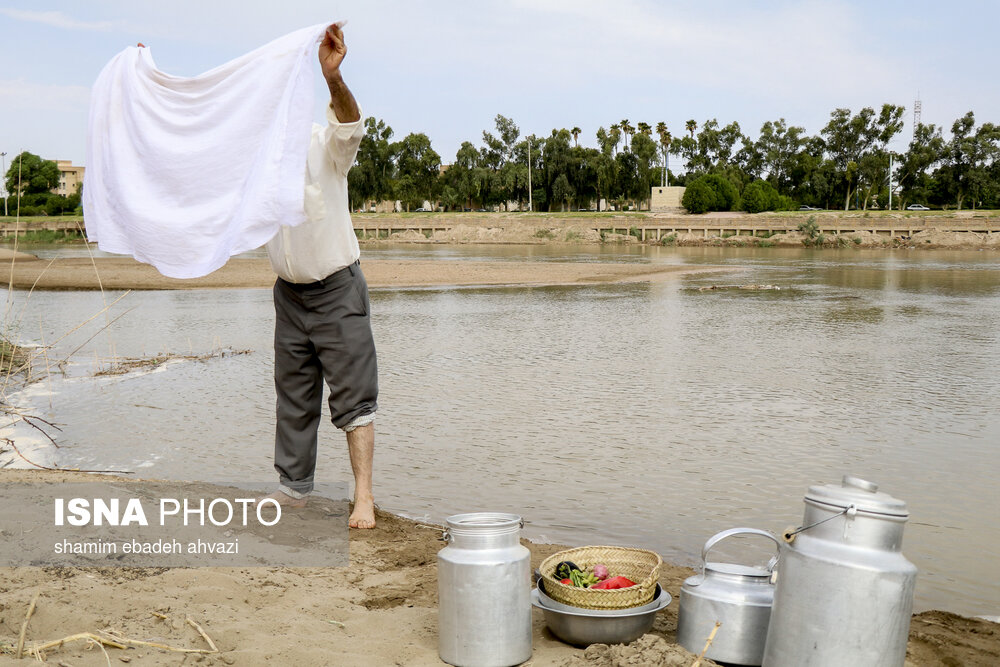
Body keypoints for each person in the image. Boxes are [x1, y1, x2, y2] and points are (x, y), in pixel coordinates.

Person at [263, 23, 378, 529]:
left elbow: (350, 123)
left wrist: (333, 76)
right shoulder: (256, 160)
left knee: (354, 399)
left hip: (336, 290)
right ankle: (294, 494)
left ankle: (365, 498)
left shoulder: (323, 144)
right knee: (294, 399)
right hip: (288, 297)